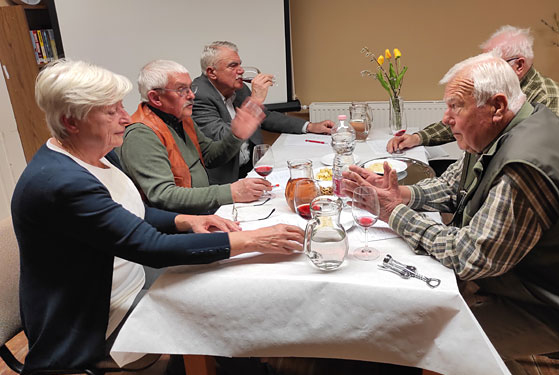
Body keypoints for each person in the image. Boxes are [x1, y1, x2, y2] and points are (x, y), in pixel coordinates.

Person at [11, 59, 304, 373]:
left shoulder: (97, 152)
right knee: (219, 310)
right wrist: (253, 239)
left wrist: (184, 220)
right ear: (71, 121)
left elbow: (128, 213)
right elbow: (151, 247)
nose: (126, 117)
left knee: (226, 283)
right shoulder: (62, 182)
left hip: (131, 279)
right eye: (112, 111)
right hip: (93, 317)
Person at [342, 53, 559, 374]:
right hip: (529, 279)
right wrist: (402, 195)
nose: (446, 118)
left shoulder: (526, 166)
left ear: (496, 106)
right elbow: (455, 187)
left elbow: (470, 256)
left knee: (434, 340)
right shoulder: (505, 129)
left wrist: (393, 212)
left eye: (456, 106)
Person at [387, 26, 559, 161]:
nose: (483, 67)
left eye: (494, 61)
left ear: (519, 65)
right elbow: (465, 120)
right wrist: (418, 138)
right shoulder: (497, 88)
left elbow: (543, 161)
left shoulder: (550, 98)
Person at [117, 60, 271, 215]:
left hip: (203, 211)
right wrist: (230, 192)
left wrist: (236, 135)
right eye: (182, 90)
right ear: (156, 98)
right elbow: (164, 196)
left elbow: (210, 157)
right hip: (180, 224)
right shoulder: (141, 134)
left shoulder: (181, 119)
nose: (192, 95)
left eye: (190, 88)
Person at [192, 41, 335, 184]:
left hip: (253, 166)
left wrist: (309, 126)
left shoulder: (237, 87)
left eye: (240, 64)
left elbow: (263, 116)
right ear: (212, 72)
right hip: (227, 178)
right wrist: (255, 100)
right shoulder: (199, 96)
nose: (241, 70)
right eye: (232, 66)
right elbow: (224, 139)